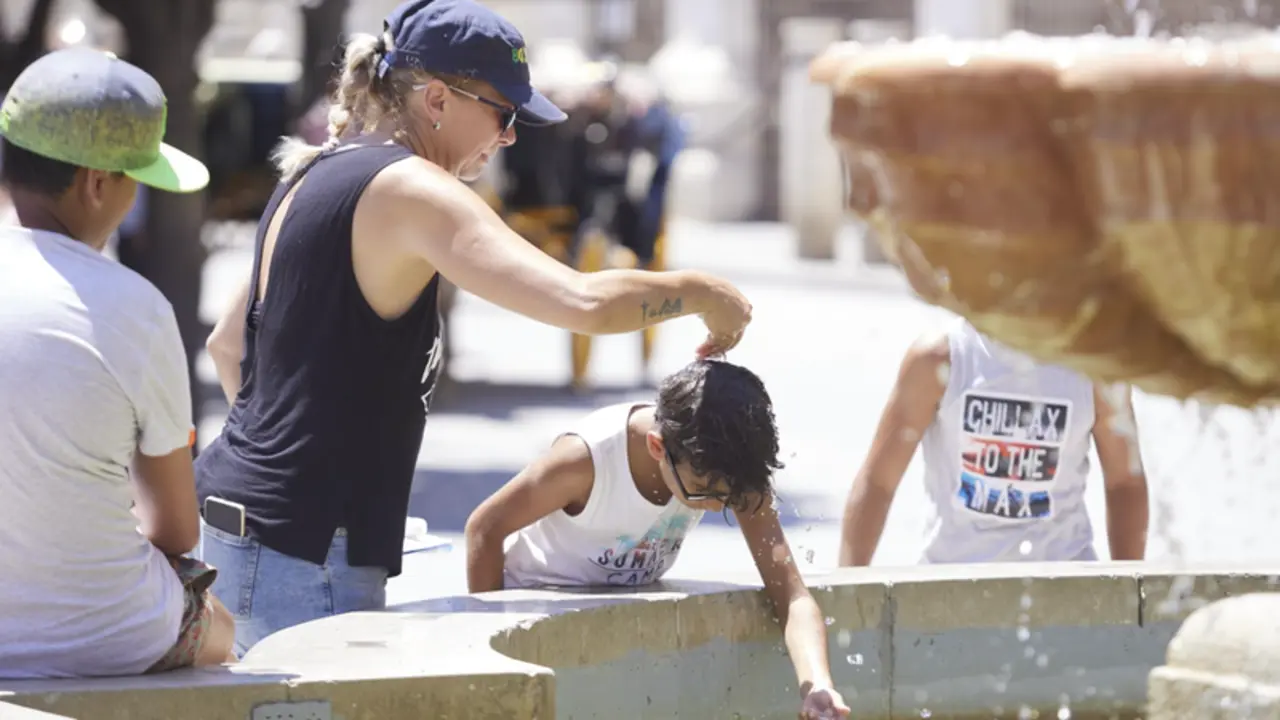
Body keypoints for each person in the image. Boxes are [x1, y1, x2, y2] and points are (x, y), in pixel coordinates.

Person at [196, 0, 752, 656]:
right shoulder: (411, 189)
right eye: (503, 113)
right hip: (306, 548)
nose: (511, 136)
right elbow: (580, 301)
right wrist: (701, 292)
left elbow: (227, 344)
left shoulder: (317, 171)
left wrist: (292, 467)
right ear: (437, 99)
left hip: (252, 529)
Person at [0, 48, 235, 677]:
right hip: (109, 633)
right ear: (96, 182)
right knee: (225, 630)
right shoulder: (137, 308)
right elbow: (175, 530)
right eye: (136, 181)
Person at [465, 360, 851, 719]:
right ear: (657, 448)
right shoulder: (585, 462)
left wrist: (818, 685)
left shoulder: (729, 468)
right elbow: (484, 528)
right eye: (703, 492)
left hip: (614, 637)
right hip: (535, 611)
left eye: (729, 497)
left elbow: (792, 594)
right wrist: (492, 665)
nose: (717, 507)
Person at [838, 319, 1150, 566]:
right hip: (950, 586)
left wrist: (1130, 595)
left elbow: (1125, 482)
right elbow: (878, 482)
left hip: (1064, 581)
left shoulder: (1094, 367)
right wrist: (847, 594)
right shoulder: (941, 357)